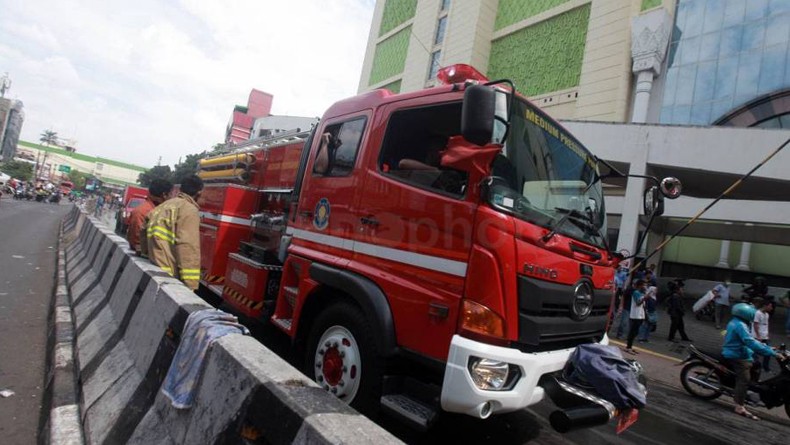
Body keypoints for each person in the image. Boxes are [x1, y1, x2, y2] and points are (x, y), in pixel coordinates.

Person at [722, 302, 778, 420]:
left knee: (756, 364)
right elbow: (750, 341)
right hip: (737, 355)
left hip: (740, 352)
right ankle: (739, 406)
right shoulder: (740, 325)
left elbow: (751, 340)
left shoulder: (737, 322)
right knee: (744, 379)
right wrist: (771, 353)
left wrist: (768, 348)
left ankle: (748, 391)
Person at [146, 175, 203, 290]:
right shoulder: (190, 210)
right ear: (199, 193)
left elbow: (143, 231)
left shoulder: (163, 206)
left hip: (153, 267)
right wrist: (190, 284)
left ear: (181, 189)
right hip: (168, 274)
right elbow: (187, 246)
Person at [127, 179, 173, 254]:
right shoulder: (144, 212)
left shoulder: (152, 210)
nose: (171, 198)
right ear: (164, 195)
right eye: (170, 194)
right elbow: (138, 241)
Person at [625, 279, 647, 355]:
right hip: (635, 315)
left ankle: (630, 346)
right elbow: (638, 303)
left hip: (640, 315)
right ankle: (628, 347)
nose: (645, 286)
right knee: (633, 331)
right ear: (640, 285)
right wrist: (645, 298)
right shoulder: (636, 292)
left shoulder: (641, 293)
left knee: (636, 332)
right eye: (644, 285)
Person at [752, 299, 773, 372]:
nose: (771, 308)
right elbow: (755, 324)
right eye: (770, 306)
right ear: (765, 306)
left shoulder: (767, 314)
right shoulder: (758, 313)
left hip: (765, 336)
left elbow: (766, 325)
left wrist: (767, 335)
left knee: (768, 352)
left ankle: (765, 367)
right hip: (757, 337)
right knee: (754, 352)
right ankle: (755, 367)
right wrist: (758, 336)